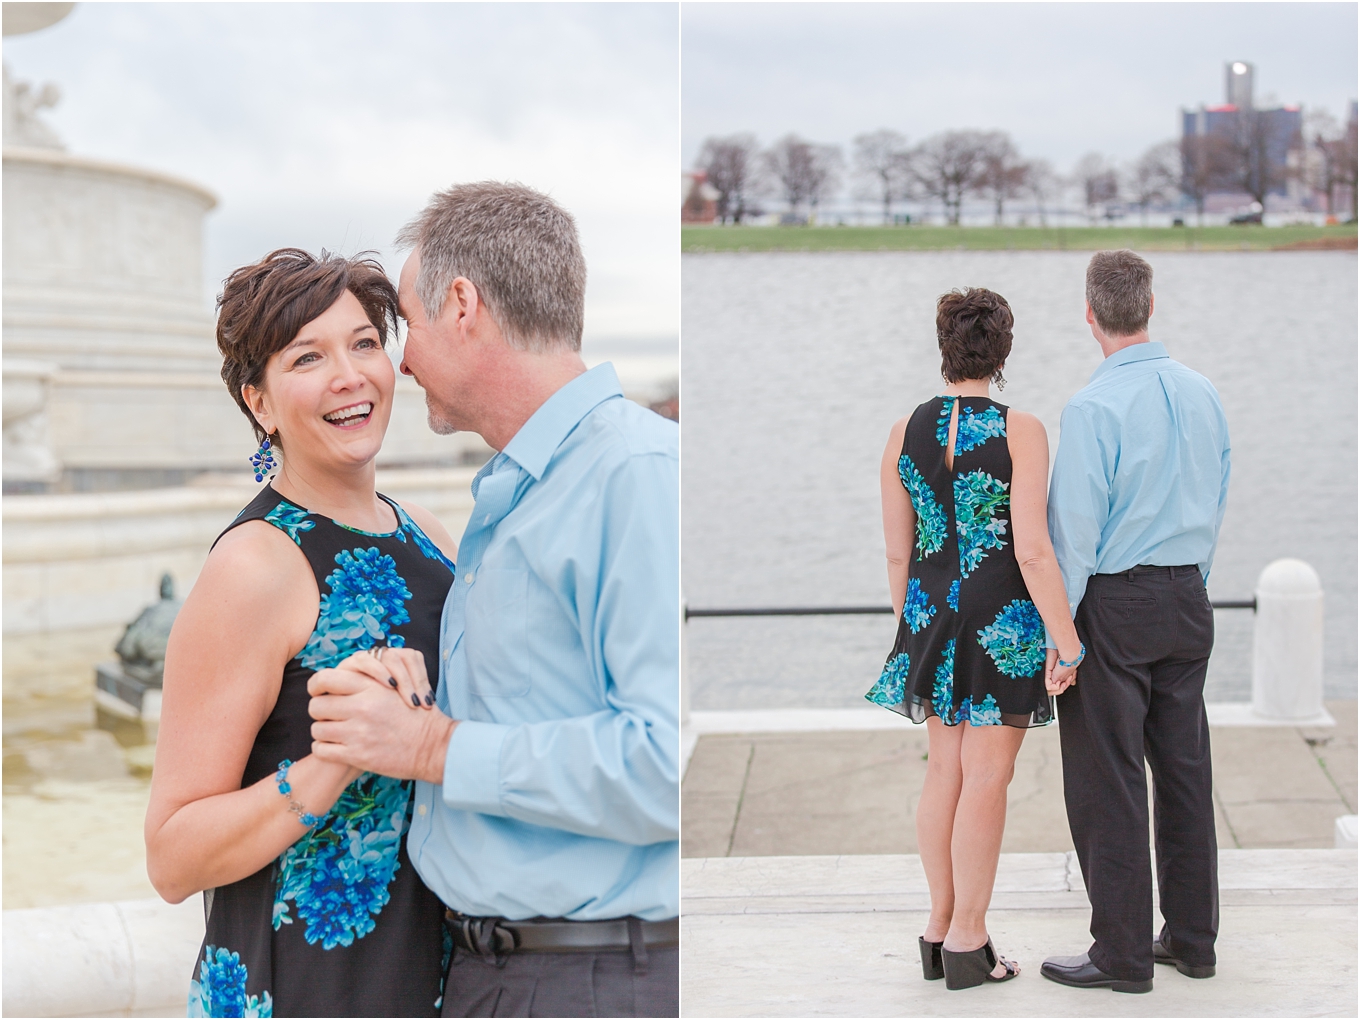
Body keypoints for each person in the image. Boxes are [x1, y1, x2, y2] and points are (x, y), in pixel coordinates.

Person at [306, 182, 680, 1018]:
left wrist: (435, 748)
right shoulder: (519, 493)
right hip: (504, 971)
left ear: (464, 305)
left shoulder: (634, 477)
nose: (398, 363)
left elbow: (665, 765)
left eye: (406, 324)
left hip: (591, 982)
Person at [146, 249, 460, 1017]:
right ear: (260, 402)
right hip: (304, 985)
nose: (349, 374)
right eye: (307, 357)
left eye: (362, 344)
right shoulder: (255, 565)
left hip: (432, 968)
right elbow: (172, 856)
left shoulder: (430, 536)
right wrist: (330, 766)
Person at [866, 287, 1082, 991]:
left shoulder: (903, 431)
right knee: (988, 777)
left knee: (945, 772)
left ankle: (938, 927)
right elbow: (1033, 550)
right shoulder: (1021, 430)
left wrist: (915, 629)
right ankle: (969, 940)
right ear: (1004, 350)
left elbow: (898, 554)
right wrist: (1066, 639)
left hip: (929, 612)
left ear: (943, 347)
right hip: (1002, 618)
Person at [1040, 250, 1230, 994]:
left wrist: (1065, 639)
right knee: (1184, 771)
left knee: (1107, 779)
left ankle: (1120, 954)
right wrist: (1193, 585)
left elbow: (1074, 536)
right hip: (1189, 596)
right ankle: (1192, 941)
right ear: (1151, 306)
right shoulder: (1205, 391)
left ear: (1090, 316)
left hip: (1115, 603)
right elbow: (1216, 497)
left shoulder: (1092, 408)